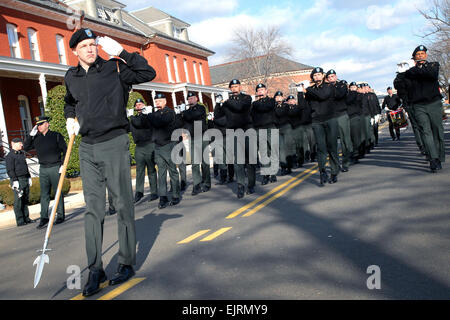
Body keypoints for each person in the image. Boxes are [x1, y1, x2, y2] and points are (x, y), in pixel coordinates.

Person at [64, 28, 156, 297]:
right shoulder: (71, 76)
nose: (90, 49)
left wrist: (123, 52)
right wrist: (70, 117)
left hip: (114, 143)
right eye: (84, 46)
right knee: (93, 210)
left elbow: (148, 74)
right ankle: (96, 268)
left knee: (122, 204)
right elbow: (70, 102)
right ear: (75, 51)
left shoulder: (115, 68)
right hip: (87, 148)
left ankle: (126, 262)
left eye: (93, 45)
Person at [395, 45, 445, 172]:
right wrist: (400, 74)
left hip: (434, 103)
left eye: (423, 53)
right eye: (418, 54)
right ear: (414, 57)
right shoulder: (408, 73)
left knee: (437, 130)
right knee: (426, 131)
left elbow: (431, 75)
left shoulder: (433, 65)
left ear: (426, 56)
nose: (421, 56)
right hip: (418, 106)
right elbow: (399, 85)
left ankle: (439, 156)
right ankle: (433, 159)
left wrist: (411, 70)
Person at [24, 116, 67, 229]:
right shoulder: (36, 138)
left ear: (47, 124)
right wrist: (30, 135)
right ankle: (44, 217)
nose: (39, 126)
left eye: (41, 124)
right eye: (38, 125)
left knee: (58, 192)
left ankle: (60, 215)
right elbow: (26, 147)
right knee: (44, 194)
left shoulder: (56, 135)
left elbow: (65, 150)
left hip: (55, 166)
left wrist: (63, 164)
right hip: (43, 168)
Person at [301, 67, 339, 185]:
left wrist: (307, 89)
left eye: (319, 74)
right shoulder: (310, 90)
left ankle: (334, 172)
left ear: (323, 75)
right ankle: (322, 171)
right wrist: (299, 93)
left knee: (332, 147)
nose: (317, 77)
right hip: (317, 121)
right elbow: (305, 105)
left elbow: (323, 96)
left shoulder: (329, 87)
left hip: (330, 119)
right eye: (315, 75)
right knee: (321, 148)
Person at [222, 79, 254, 198]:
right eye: (232, 87)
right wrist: (218, 104)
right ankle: (241, 185)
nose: (234, 88)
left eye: (236, 86)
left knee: (250, 159)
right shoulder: (226, 102)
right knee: (238, 161)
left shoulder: (247, 98)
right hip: (234, 132)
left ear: (240, 87)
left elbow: (240, 107)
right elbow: (219, 116)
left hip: (246, 130)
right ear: (230, 89)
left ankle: (250, 184)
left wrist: (227, 102)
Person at [129, 99, 158, 203]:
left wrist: (131, 116)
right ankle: (139, 192)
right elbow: (129, 128)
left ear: (144, 105)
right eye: (136, 105)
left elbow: (139, 124)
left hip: (149, 144)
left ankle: (154, 192)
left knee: (151, 169)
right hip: (139, 146)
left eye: (140, 104)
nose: (138, 106)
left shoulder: (148, 116)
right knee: (139, 171)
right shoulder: (134, 118)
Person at [182, 92, 211, 195]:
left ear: (196, 98)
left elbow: (194, 115)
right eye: (189, 99)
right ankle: (196, 185)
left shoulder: (201, 108)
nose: (190, 100)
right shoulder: (186, 112)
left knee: (204, 162)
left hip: (202, 136)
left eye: (192, 98)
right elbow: (184, 123)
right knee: (195, 163)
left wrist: (185, 113)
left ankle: (207, 182)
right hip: (192, 138)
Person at [326, 70, 352, 172]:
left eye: (333, 76)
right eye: (329, 77)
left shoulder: (342, 85)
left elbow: (339, 95)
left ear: (336, 77)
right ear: (327, 79)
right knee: (332, 143)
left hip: (341, 115)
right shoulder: (326, 87)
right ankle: (335, 165)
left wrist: (330, 89)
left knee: (345, 141)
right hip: (331, 116)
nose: (331, 78)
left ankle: (345, 162)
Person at [251, 83, 277, 185]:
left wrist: (256, 103)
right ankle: (266, 174)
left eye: (262, 89)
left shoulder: (271, 101)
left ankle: (273, 173)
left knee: (273, 151)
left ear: (266, 91)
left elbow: (265, 108)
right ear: (257, 92)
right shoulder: (254, 104)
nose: (261, 91)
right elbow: (251, 116)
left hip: (270, 127)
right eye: (259, 90)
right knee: (264, 153)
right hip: (259, 129)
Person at [5, 138, 34, 227]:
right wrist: (14, 180)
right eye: (20, 143)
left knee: (25, 199)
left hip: (25, 178)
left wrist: (29, 177)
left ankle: (26, 218)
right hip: (18, 179)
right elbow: (10, 170)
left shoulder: (21, 154)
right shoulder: (10, 156)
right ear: (13, 144)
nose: (22, 145)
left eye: (21, 143)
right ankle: (20, 220)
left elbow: (25, 166)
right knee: (18, 200)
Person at [213, 94, 235, 185]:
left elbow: (222, 121)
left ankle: (230, 176)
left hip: (228, 136)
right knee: (221, 159)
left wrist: (214, 120)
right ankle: (223, 177)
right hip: (219, 137)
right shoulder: (219, 110)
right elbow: (216, 114)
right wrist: (217, 104)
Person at [274, 91, 294, 175]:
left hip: (287, 128)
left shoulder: (286, 106)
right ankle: (283, 167)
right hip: (278, 129)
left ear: (282, 98)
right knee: (281, 149)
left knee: (288, 148)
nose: (278, 98)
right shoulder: (273, 107)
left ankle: (289, 166)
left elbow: (281, 113)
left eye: (280, 96)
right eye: (277, 97)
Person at [345, 82, 363, 164]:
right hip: (347, 117)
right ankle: (351, 153)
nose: (352, 88)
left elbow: (352, 101)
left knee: (356, 137)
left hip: (355, 117)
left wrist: (354, 92)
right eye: (351, 87)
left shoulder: (358, 95)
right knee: (349, 138)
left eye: (354, 87)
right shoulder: (347, 95)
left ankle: (356, 154)